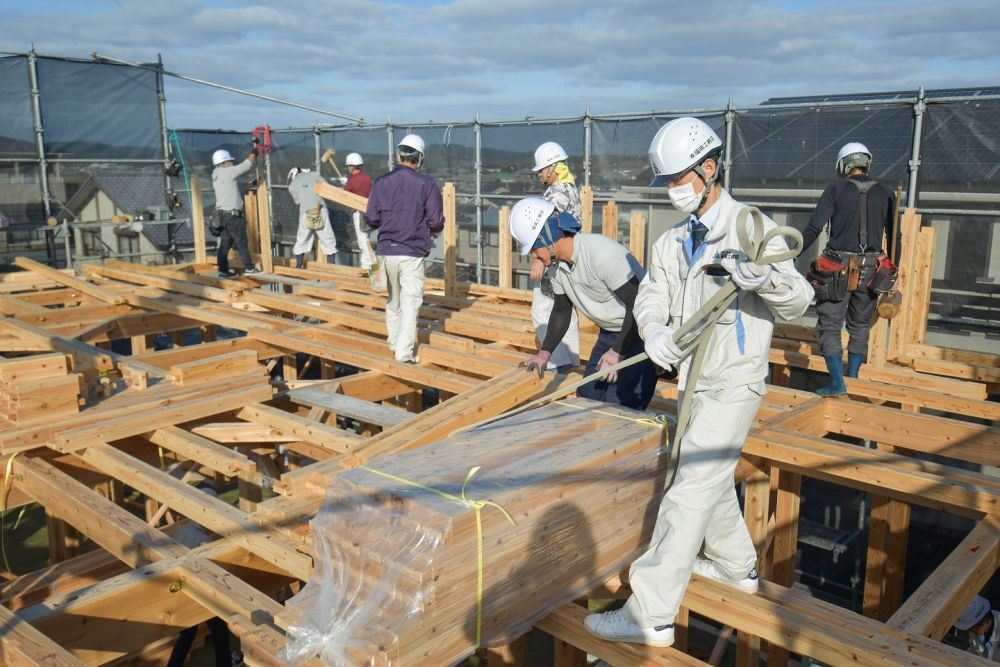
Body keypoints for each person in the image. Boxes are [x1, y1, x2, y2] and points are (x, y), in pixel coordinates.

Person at [583, 117, 812, 647]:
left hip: (733, 380)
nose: (671, 189)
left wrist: (768, 279)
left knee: (689, 489)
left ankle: (651, 614)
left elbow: (800, 302)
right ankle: (737, 567)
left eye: (678, 178)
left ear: (709, 169)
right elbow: (652, 294)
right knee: (706, 474)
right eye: (665, 181)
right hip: (692, 379)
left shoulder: (751, 229)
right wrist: (656, 330)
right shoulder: (672, 241)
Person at [510, 197, 658, 410]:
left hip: (644, 330)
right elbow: (561, 310)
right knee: (587, 395)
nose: (533, 255)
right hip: (611, 332)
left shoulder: (602, 255)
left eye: (534, 248)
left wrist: (618, 351)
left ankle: (654, 367)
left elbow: (639, 303)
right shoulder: (556, 268)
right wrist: (545, 352)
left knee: (620, 407)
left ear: (548, 237)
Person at [801, 142, 898, 395]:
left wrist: (792, 253)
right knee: (859, 325)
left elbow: (814, 228)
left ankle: (838, 384)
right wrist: (894, 272)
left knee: (830, 325)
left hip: (836, 269)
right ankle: (852, 377)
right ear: (867, 163)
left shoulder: (834, 189)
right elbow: (895, 237)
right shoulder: (887, 193)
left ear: (843, 165)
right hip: (871, 270)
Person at [364, 134, 444, 364]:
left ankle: (393, 341)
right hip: (412, 252)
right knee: (411, 303)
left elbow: (371, 217)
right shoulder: (426, 184)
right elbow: (436, 221)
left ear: (398, 155)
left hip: (386, 250)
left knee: (393, 300)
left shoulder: (381, 182)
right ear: (420, 159)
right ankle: (404, 352)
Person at [167, 486, 235, 667]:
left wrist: (172, 589)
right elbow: (212, 574)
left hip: (180, 590)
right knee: (220, 633)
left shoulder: (180, 531)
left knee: (187, 635)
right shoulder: (204, 542)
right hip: (200, 594)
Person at [529, 142, 581, 372]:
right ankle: (571, 359)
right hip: (568, 260)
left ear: (552, 167)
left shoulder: (558, 192)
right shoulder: (569, 187)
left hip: (555, 261)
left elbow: (550, 228)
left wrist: (539, 259)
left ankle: (557, 360)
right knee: (565, 307)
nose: (539, 173)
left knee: (542, 310)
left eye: (541, 169)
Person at [211, 145, 260, 277]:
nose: (231, 163)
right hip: (233, 217)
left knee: (225, 244)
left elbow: (238, 187)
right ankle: (249, 269)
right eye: (229, 161)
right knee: (242, 243)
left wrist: (252, 184)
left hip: (222, 217)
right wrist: (254, 153)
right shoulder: (228, 172)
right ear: (224, 162)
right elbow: (246, 165)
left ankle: (222, 270)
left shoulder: (217, 175)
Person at [287, 166, 343, 268]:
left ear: (294, 175)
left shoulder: (292, 185)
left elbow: (298, 201)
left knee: (302, 238)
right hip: (321, 209)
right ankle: (332, 265)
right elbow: (326, 187)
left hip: (306, 212)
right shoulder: (314, 174)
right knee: (327, 236)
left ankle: (299, 265)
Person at [343, 152, 376, 270]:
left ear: (352, 166)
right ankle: (365, 267)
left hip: (359, 213)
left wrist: (345, 184)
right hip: (370, 212)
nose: (348, 168)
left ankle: (374, 264)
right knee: (365, 238)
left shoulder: (351, 181)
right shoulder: (368, 178)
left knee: (363, 241)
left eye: (348, 166)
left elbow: (345, 196)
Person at [955, 595, 1000, 661]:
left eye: (971, 629)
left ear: (985, 622)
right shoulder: (975, 627)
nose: (971, 632)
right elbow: (975, 648)